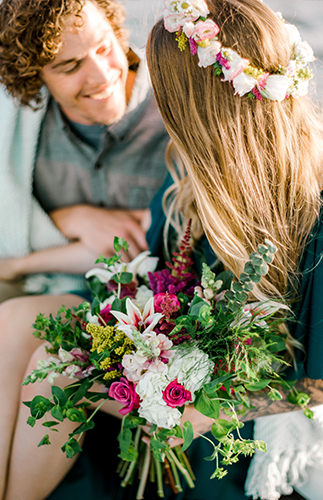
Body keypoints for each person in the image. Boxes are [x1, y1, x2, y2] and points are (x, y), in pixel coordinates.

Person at [2, 1, 323, 500]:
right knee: (16, 326)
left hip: (232, 407)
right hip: (168, 364)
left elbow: (316, 386)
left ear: (191, 112)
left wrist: (203, 413)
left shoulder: (310, 209)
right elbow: (144, 264)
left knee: (55, 372)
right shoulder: (189, 182)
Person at [0, 0, 169, 498]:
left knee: (17, 327)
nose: (101, 74)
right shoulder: (21, 121)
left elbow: (145, 237)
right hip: (63, 290)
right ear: (34, 79)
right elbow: (12, 207)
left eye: (104, 46)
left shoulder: (171, 105)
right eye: (69, 66)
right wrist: (64, 218)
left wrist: (22, 261)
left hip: (149, 310)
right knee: (11, 323)